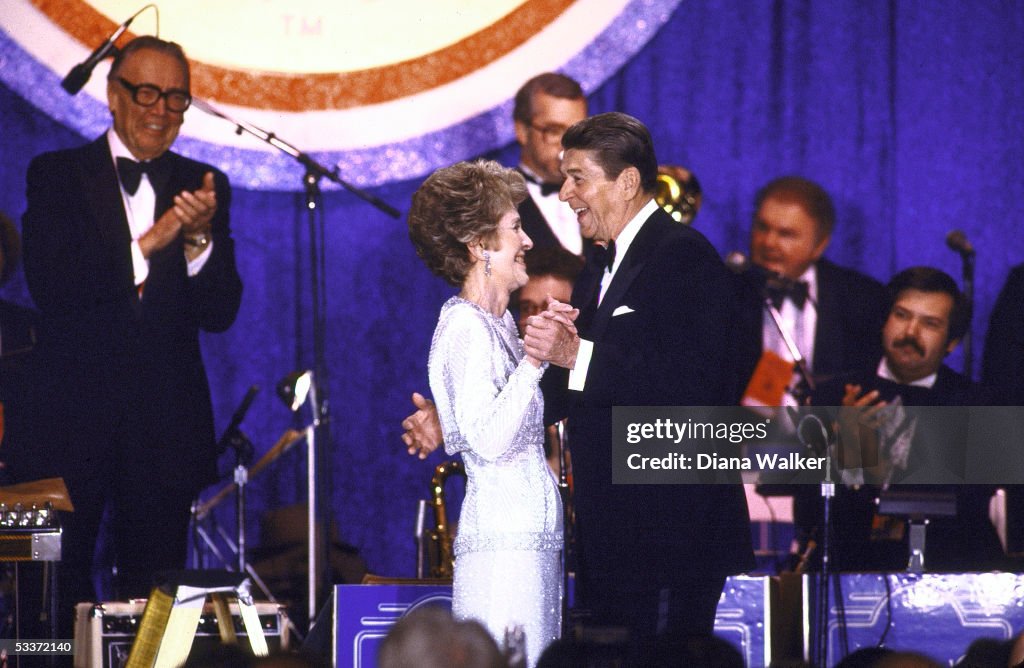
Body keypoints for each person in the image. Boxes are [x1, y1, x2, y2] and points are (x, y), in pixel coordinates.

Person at [12, 36, 242, 634]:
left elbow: (219, 312)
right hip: (70, 428)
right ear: (113, 96)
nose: (160, 110)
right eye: (146, 92)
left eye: (175, 98)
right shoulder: (57, 174)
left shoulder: (204, 182)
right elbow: (53, 288)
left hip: (166, 429)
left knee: (158, 599)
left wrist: (198, 244)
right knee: (51, 591)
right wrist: (150, 244)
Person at [524, 112, 753, 649]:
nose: (564, 194)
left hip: (672, 530)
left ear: (626, 182)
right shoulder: (599, 265)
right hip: (616, 532)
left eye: (578, 177)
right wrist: (461, 416)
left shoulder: (683, 256)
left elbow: (692, 380)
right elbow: (567, 383)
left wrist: (577, 353)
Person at [407, 159, 563, 667]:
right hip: (501, 550)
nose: (528, 241)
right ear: (478, 245)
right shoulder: (464, 328)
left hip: (529, 544)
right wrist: (536, 361)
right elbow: (490, 440)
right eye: (515, 228)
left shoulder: (500, 327)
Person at [808, 267, 1005, 572]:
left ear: (951, 342)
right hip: (851, 568)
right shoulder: (832, 396)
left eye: (930, 324)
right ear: (885, 321)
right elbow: (806, 510)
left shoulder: (977, 405)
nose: (911, 333)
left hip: (951, 572)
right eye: (902, 315)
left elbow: (969, 508)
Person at [512, 73, 589, 256]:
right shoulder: (495, 202)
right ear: (522, 131)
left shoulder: (598, 195)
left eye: (577, 131)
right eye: (554, 131)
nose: (568, 144)